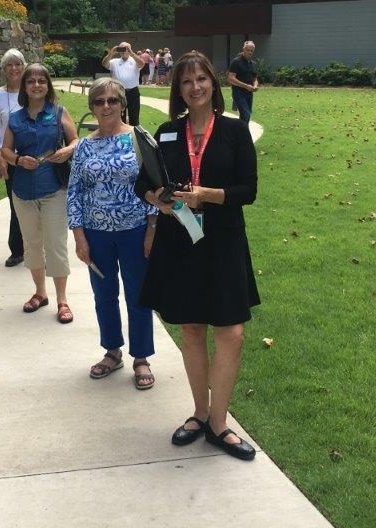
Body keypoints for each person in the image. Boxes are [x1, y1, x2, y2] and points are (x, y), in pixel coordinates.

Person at [136, 50, 260, 461]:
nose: (195, 87)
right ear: (179, 89)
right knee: (191, 328)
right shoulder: (167, 132)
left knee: (232, 333)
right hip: (181, 240)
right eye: (186, 81)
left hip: (223, 241)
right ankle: (200, 414)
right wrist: (159, 201)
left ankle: (219, 424)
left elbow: (248, 191)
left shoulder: (234, 131)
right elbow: (143, 183)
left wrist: (206, 195)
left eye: (201, 79)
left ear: (213, 83)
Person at [67, 78, 158, 389]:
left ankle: (141, 357)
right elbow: (74, 192)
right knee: (104, 295)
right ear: (92, 106)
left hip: (135, 231)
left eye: (112, 100)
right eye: (99, 101)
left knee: (138, 294)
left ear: (122, 103)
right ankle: (112, 351)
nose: (106, 106)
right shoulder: (84, 146)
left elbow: (155, 185)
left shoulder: (138, 138)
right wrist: (79, 237)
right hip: (96, 234)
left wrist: (152, 229)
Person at [0, 63, 79, 324]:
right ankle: (40, 293)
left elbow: (76, 140)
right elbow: (5, 151)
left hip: (53, 188)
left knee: (55, 244)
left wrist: (67, 150)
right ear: (24, 86)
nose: (36, 85)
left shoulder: (58, 112)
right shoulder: (15, 118)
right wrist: (18, 159)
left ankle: (62, 300)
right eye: (31, 81)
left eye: (41, 81)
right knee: (32, 244)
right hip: (23, 191)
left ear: (48, 85)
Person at [0, 49, 26, 267]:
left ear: (23, 66)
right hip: (9, 156)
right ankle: (17, 249)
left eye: (18, 64)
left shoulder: (32, 89)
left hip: (33, 154)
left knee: (38, 204)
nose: (14, 68)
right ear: (4, 69)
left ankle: (38, 248)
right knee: (16, 205)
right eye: (9, 65)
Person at [102, 41, 144, 125]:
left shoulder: (134, 60)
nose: (124, 51)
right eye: (121, 49)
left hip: (133, 91)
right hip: (118, 92)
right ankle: (120, 132)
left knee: (134, 117)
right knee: (120, 117)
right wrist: (111, 53)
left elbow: (142, 64)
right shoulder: (115, 61)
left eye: (126, 49)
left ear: (130, 49)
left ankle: (134, 132)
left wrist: (132, 53)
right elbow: (104, 64)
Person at [227, 41, 259, 123]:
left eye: (251, 51)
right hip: (238, 92)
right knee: (246, 114)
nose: (249, 52)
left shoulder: (253, 64)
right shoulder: (236, 62)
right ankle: (243, 130)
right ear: (243, 50)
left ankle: (241, 130)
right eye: (248, 50)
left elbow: (255, 78)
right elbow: (230, 78)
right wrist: (246, 86)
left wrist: (255, 85)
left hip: (249, 93)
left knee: (247, 115)